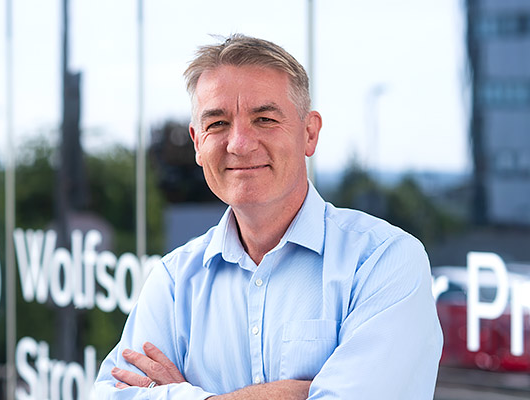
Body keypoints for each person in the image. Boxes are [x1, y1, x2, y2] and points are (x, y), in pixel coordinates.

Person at [94, 34, 443, 399]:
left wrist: (176, 395)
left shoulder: (384, 261)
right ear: (198, 143)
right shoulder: (175, 280)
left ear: (309, 133)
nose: (240, 143)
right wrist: (291, 394)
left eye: (264, 119)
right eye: (218, 124)